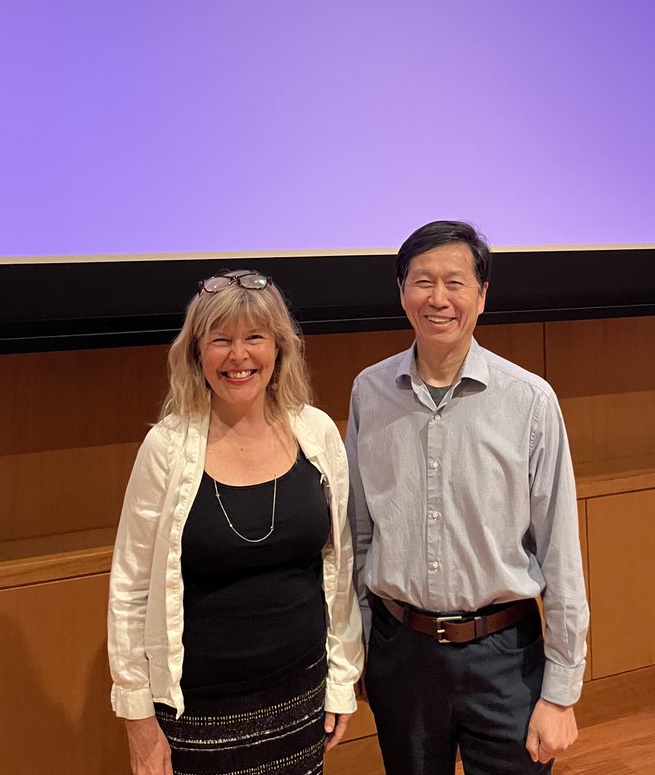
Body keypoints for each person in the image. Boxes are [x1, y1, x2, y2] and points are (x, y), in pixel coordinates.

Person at [346, 221, 589, 775]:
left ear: (481, 295)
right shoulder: (370, 392)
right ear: (401, 292)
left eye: (455, 282)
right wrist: (361, 646)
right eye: (422, 281)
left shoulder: (529, 401)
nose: (438, 299)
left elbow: (561, 554)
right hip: (400, 653)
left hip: (505, 658)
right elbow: (359, 535)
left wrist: (561, 692)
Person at [109, 270, 363, 775]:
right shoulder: (166, 447)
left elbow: (339, 567)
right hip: (197, 713)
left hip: (301, 698)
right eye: (220, 340)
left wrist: (341, 679)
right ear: (197, 354)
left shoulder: (317, 433)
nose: (238, 355)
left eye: (254, 338)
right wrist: (138, 719)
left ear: (280, 349)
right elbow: (131, 588)